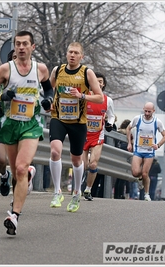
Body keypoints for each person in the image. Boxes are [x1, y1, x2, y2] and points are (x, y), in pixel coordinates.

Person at [0, 31, 53, 235]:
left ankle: (14, 216)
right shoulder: (6, 69)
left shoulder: (40, 69)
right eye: (18, 44)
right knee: (16, 174)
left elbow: (49, 91)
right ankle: (28, 175)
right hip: (10, 125)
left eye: (25, 44)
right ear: (15, 47)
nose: (21, 47)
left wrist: (48, 100)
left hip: (31, 125)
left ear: (33, 47)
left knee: (21, 168)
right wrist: (3, 95)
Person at [45, 42, 104, 212]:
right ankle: (57, 191)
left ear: (81, 56)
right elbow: (50, 89)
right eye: (70, 52)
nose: (72, 55)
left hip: (78, 122)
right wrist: (49, 102)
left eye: (76, 53)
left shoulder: (87, 73)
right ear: (66, 54)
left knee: (76, 159)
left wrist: (82, 95)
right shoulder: (58, 70)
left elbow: (99, 98)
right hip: (59, 118)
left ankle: (77, 192)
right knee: (55, 151)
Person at [81, 72, 115, 201]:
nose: (98, 83)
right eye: (96, 80)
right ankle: (77, 188)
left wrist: (110, 124)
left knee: (93, 165)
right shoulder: (85, 96)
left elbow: (111, 115)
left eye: (100, 81)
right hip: (83, 135)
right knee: (82, 166)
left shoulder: (108, 100)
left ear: (103, 84)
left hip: (97, 136)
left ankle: (88, 190)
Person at [126, 102, 165, 201]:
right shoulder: (138, 119)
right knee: (135, 173)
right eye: (145, 111)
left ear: (153, 111)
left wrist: (158, 145)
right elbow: (128, 128)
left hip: (149, 151)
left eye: (149, 111)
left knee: (145, 173)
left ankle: (146, 194)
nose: (147, 113)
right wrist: (129, 143)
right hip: (138, 149)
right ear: (143, 109)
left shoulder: (157, 122)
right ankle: (140, 178)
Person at [0, 49, 17, 197]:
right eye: (13, 58)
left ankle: (16, 203)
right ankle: (4, 175)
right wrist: (1, 101)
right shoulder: (4, 75)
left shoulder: (31, 75)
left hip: (23, 126)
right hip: (5, 124)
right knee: (0, 160)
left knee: (17, 166)